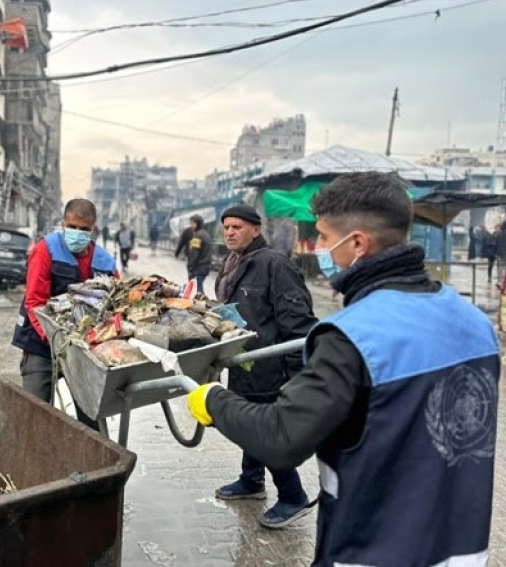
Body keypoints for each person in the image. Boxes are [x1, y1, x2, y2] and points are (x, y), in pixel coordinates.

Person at [188, 172, 499, 565]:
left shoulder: (351, 336)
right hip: (463, 551)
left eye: (321, 236)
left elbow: (282, 440)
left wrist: (213, 400)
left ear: (356, 244)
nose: (318, 248)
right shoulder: (475, 323)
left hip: (371, 550)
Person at [211, 204, 317, 528]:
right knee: (248, 424)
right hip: (244, 363)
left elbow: (299, 325)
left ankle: (293, 496)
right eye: (226, 227)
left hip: (271, 366)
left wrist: (295, 376)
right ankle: (251, 481)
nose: (230, 232)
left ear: (256, 229)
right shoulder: (233, 263)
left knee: (267, 432)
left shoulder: (274, 265)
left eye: (237, 227)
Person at [12, 199, 118, 428]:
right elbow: (35, 302)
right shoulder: (46, 249)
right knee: (35, 415)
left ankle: (98, 461)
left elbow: (115, 306)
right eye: (72, 227)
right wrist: (57, 340)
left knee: (93, 419)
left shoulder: (106, 262)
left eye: (84, 229)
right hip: (42, 345)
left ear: (93, 229)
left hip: (85, 350)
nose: (77, 233)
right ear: (63, 224)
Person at [185, 214, 213, 294]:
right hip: (206, 266)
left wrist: (190, 266)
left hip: (198, 267)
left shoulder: (197, 236)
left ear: (198, 223)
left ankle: (202, 305)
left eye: (192, 223)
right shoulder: (205, 234)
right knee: (198, 288)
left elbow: (194, 253)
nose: (191, 226)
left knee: (197, 290)